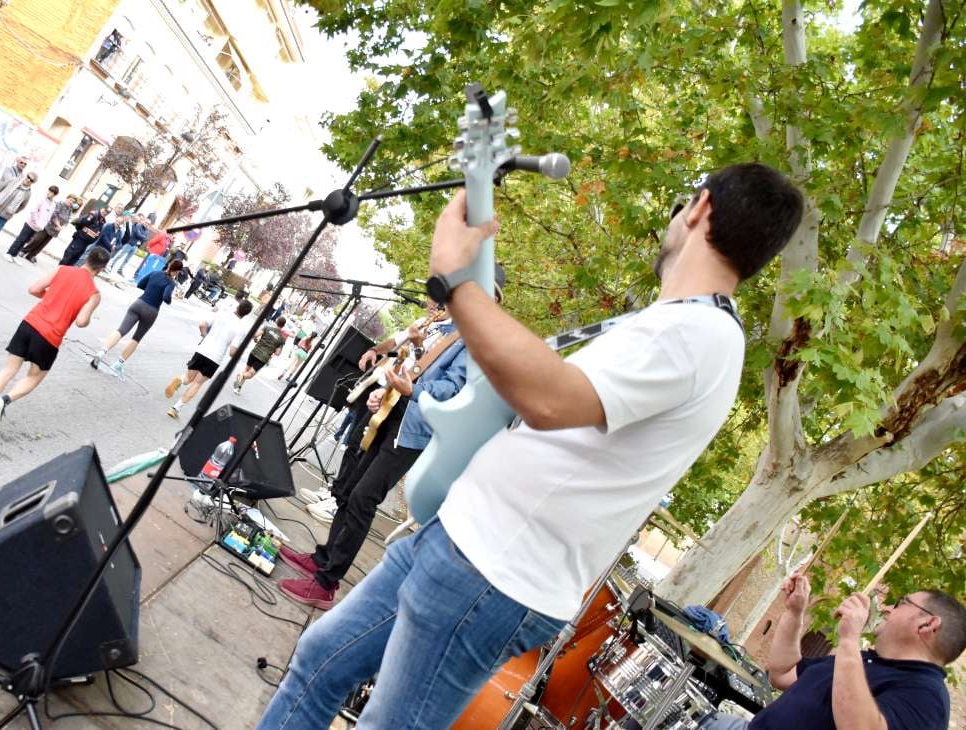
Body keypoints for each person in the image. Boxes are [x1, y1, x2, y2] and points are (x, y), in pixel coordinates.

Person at [257, 162, 806, 728]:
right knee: (320, 662)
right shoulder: (678, 325)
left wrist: (457, 281)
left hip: (491, 572)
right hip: (463, 542)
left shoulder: (699, 335)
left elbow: (548, 398)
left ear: (701, 209)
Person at [277, 300, 472, 606]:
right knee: (348, 489)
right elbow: (413, 368)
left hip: (412, 430)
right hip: (389, 413)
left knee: (363, 498)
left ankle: (327, 583)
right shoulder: (436, 329)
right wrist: (384, 391)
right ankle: (324, 558)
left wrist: (411, 390)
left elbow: (450, 388)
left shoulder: (470, 341)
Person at [702, 575, 965, 729]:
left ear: (928, 624)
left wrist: (849, 638)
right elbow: (782, 673)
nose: (886, 609)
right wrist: (795, 612)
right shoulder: (865, 661)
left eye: (900, 604)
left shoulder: (927, 695)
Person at [0, 247, 108, 431]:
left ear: (86, 258)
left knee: (8, 370)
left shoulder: (63, 269)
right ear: (102, 269)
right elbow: (81, 322)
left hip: (30, 323)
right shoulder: (94, 294)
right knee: (34, 378)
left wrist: (52, 297)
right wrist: (87, 317)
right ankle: (3, 400)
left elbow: (33, 289)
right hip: (50, 337)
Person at [90, 259, 184, 376]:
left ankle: (101, 352)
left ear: (169, 265)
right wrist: (171, 297)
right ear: (177, 271)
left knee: (121, 330)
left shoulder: (154, 273)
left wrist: (151, 290)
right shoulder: (171, 283)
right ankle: (118, 364)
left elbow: (140, 284)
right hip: (151, 311)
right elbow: (166, 298)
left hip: (139, 304)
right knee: (136, 338)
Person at [163, 299, 253, 420]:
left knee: (189, 378)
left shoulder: (222, 313)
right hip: (215, 358)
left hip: (203, 349)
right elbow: (232, 352)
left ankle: (180, 380)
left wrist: (205, 336)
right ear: (246, 314)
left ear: (238, 307)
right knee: (197, 383)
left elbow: (202, 325)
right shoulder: (241, 328)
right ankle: (175, 408)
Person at [3, 184, 58, 262]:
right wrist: (36, 222)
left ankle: (14, 255)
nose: (48, 193)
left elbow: (48, 216)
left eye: (51, 192)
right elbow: (34, 211)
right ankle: (9, 253)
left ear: (55, 194)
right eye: (49, 191)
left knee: (26, 241)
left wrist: (42, 225)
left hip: (38, 227)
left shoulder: (53, 205)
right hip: (30, 224)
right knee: (21, 239)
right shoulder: (42, 200)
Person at [234, 315, 287, 393]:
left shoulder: (267, 328)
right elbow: (277, 353)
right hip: (263, 357)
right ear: (283, 326)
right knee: (250, 374)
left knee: (247, 370)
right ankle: (241, 376)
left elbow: (255, 335)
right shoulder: (281, 339)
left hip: (255, 352)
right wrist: (275, 346)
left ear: (276, 321)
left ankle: (238, 387)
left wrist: (256, 339)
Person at [19, 193, 78, 263]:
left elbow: (67, 220)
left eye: (73, 201)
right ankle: (23, 251)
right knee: (37, 240)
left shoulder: (70, 209)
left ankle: (31, 255)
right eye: (70, 200)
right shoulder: (59, 204)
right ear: (67, 198)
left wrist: (61, 227)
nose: (71, 202)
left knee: (43, 244)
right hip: (48, 226)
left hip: (55, 230)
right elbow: (54, 215)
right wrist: (58, 225)